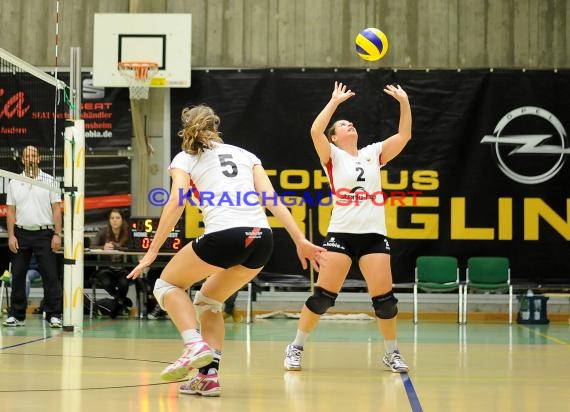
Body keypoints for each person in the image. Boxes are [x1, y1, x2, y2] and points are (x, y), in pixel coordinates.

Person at [127, 104, 324, 397]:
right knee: (208, 302)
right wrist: (299, 239)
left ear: (187, 129)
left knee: (167, 284)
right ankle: (208, 378)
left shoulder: (185, 157)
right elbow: (271, 199)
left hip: (225, 235)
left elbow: (176, 202)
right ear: (215, 128)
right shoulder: (245, 155)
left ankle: (193, 343)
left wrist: (152, 251)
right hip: (261, 240)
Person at [283, 82, 412, 373]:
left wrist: (404, 102)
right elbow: (315, 131)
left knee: (385, 302)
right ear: (335, 138)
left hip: (373, 235)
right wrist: (334, 103)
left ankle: (391, 353)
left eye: (350, 122)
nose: (349, 124)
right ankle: (296, 347)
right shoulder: (332, 156)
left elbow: (404, 135)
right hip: (341, 234)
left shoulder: (373, 153)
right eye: (343, 124)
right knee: (323, 298)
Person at [3, 145, 63, 328]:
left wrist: (57, 234)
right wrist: (11, 236)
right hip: (21, 233)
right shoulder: (14, 182)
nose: (30, 158)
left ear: (38, 159)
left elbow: (56, 210)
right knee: (18, 275)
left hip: (45, 234)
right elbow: (11, 211)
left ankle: (53, 314)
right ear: (23, 160)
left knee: (51, 276)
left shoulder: (50, 181)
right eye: (27, 156)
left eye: (34, 155)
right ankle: (17, 315)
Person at [90, 208, 133, 318]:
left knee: (124, 283)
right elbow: (92, 246)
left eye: (117, 218)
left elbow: (133, 248)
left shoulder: (128, 233)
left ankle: (117, 305)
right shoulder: (103, 231)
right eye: (112, 218)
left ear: (122, 220)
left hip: (123, 268)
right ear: (109, 220)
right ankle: (122, 300)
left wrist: (119, 248)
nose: (114, 221)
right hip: (106, 267)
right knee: (106, 282)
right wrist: (103, 247)